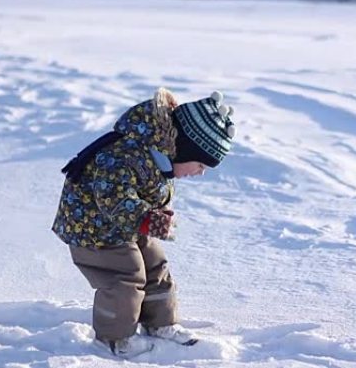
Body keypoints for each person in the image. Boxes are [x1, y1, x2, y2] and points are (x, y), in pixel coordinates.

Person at [51, 88, 236, 357]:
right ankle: (113, 339)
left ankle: (160, 323)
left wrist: (155, 216)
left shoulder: (156, 152)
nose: (200, 173)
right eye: (200, 164)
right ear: (184, 149)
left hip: (121, 226)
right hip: (91, 229)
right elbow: (113, 195)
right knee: (125, 275)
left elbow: (147, 189)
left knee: (155, 264)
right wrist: (146, 218)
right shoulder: (126, 154)